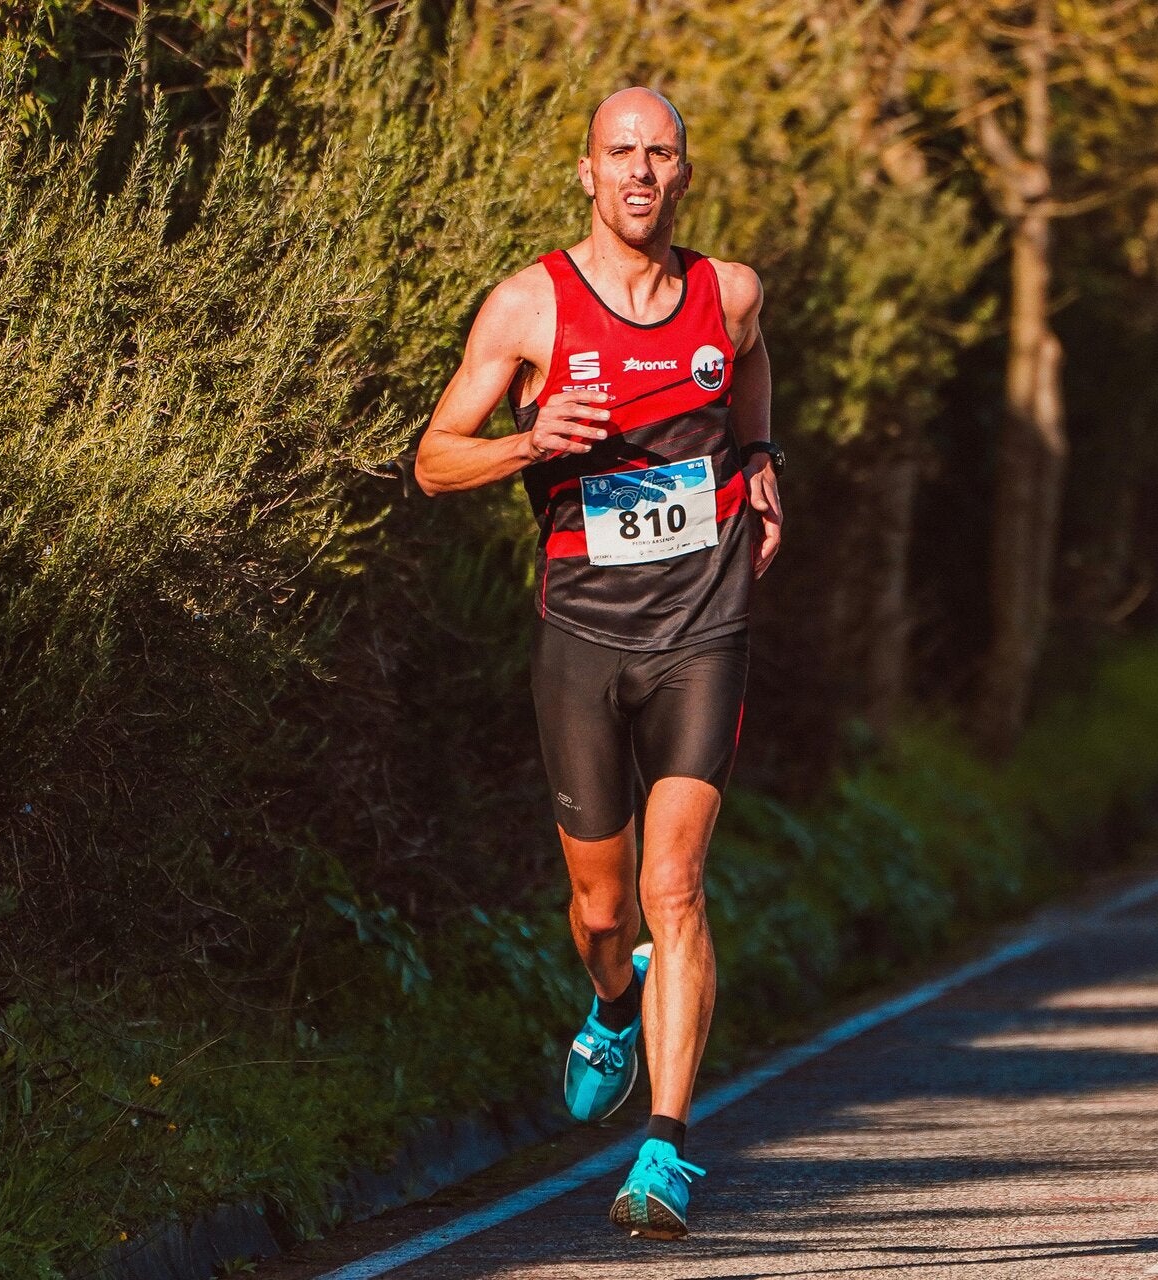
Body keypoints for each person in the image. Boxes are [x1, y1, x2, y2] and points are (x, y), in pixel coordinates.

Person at [414, 85, 784, 1239]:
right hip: (581, 636)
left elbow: (752, 364)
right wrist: (532, 438)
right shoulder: (530, 307)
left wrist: (761, 455)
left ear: (685, 173)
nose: (639, 172)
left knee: (675, 885)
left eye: (659, 153)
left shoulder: (729, 293)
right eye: (619, 152)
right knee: (602, 900)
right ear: (586, 171)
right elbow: (431, 460)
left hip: (703, 626)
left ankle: (666, 1148)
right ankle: (611, 999)